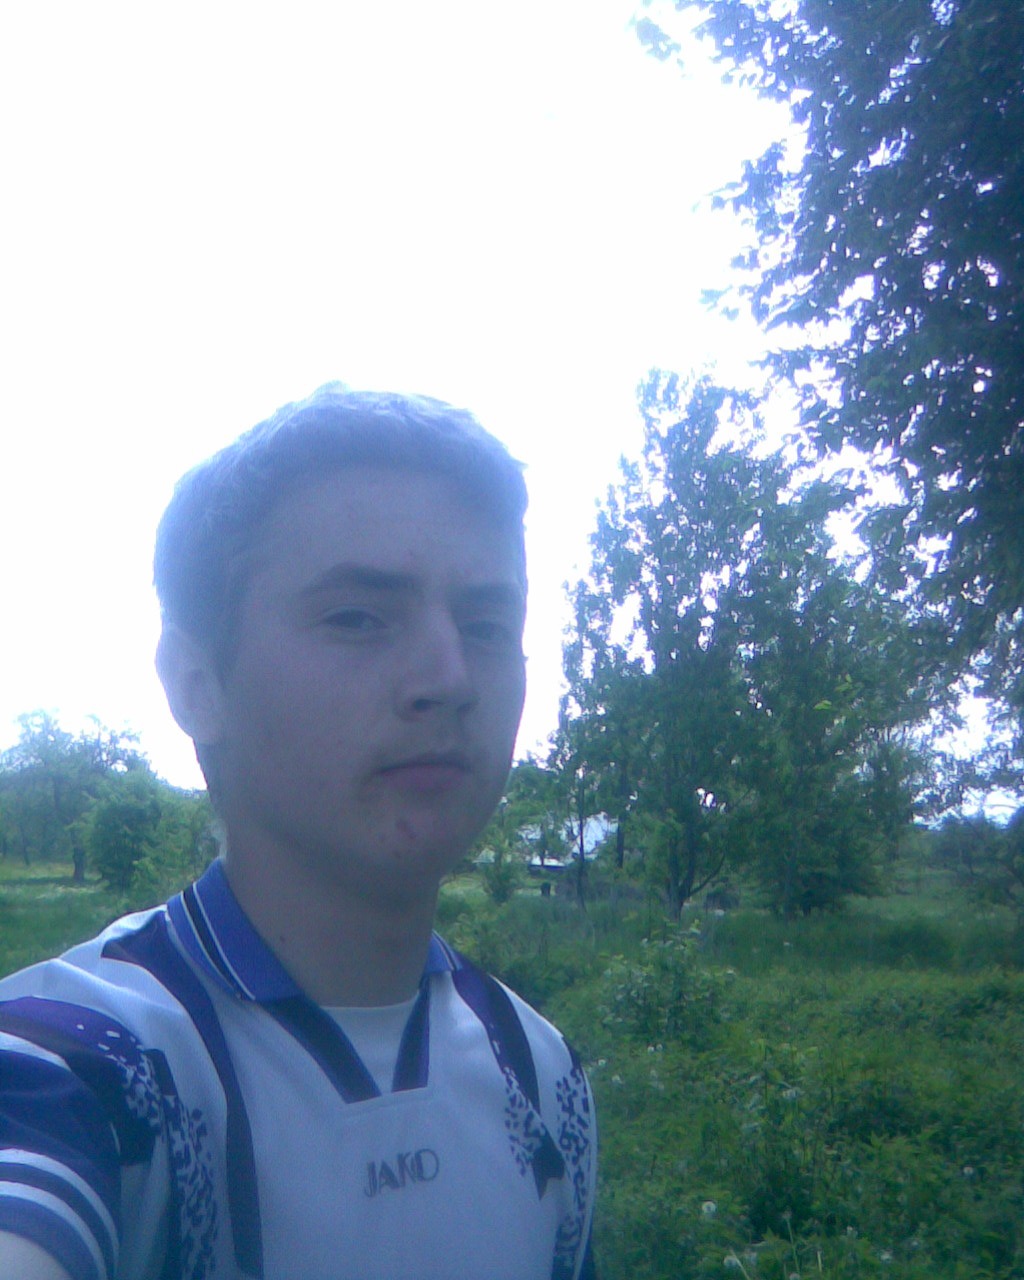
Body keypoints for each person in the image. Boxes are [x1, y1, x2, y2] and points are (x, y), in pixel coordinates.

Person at [0, 385, 596, 1280]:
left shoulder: (543, 1075)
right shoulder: (86, 1065)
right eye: (357, 617)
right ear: (196, 684)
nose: (449, 677)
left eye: (487, 624)